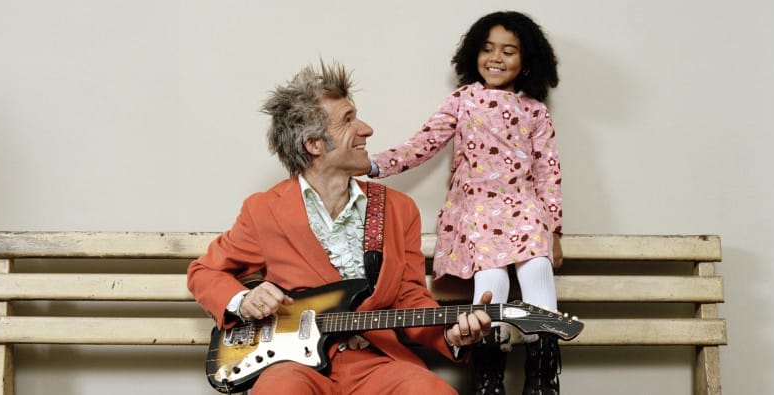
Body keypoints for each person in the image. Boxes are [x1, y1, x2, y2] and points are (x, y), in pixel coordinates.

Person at [187, 61, 493, 395]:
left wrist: (449, 333)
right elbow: (204, 273)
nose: (367, 129)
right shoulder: (264, 210)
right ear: (314, 144)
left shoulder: (397, 210)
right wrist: (243, 300)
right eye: (348, 120)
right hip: (293, 367)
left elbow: (409, 296)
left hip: (376, 361)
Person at [368, 11, 564, 395]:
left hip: (525, 211)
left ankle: (542, 381)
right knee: (491, 280)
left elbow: (548, 173)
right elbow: (422, 144)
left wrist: (554, 230)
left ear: (526, 62)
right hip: (478, 212)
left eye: (509, 51)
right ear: (474, 53)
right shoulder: (463, 101)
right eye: (488, 48)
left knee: (537, 269)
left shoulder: (535, 112)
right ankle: (488, 380)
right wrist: (374, 164)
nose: (496, 58)